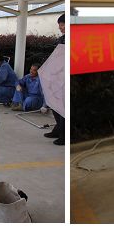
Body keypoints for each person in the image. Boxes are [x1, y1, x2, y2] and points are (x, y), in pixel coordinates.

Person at [44, 14, 65, 145]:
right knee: (55, 104)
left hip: (63, 77)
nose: (60, 27)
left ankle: (64, 134)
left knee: (63, 107)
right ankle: (58, 129)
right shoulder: (61, 39)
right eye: (59, 25)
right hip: (56, 76)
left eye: (62, 24)